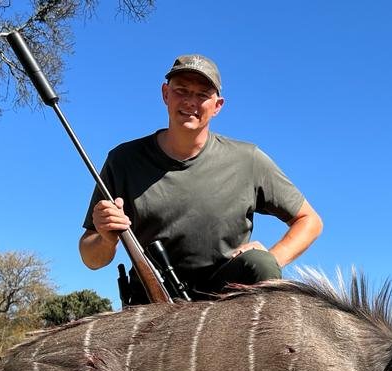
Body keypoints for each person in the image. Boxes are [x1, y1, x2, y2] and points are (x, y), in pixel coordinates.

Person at [79, 54, 323, 303]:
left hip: (226, 299)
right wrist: (106, 239)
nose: (190, 102)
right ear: (165, 94)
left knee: (260, 264)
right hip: (153, 300)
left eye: (202, 94)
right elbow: (90, 257)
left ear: (217, 105)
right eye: (181, 91)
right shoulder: (123, 160)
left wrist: (275, 256)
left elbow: (310, 221)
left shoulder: (247, 158)